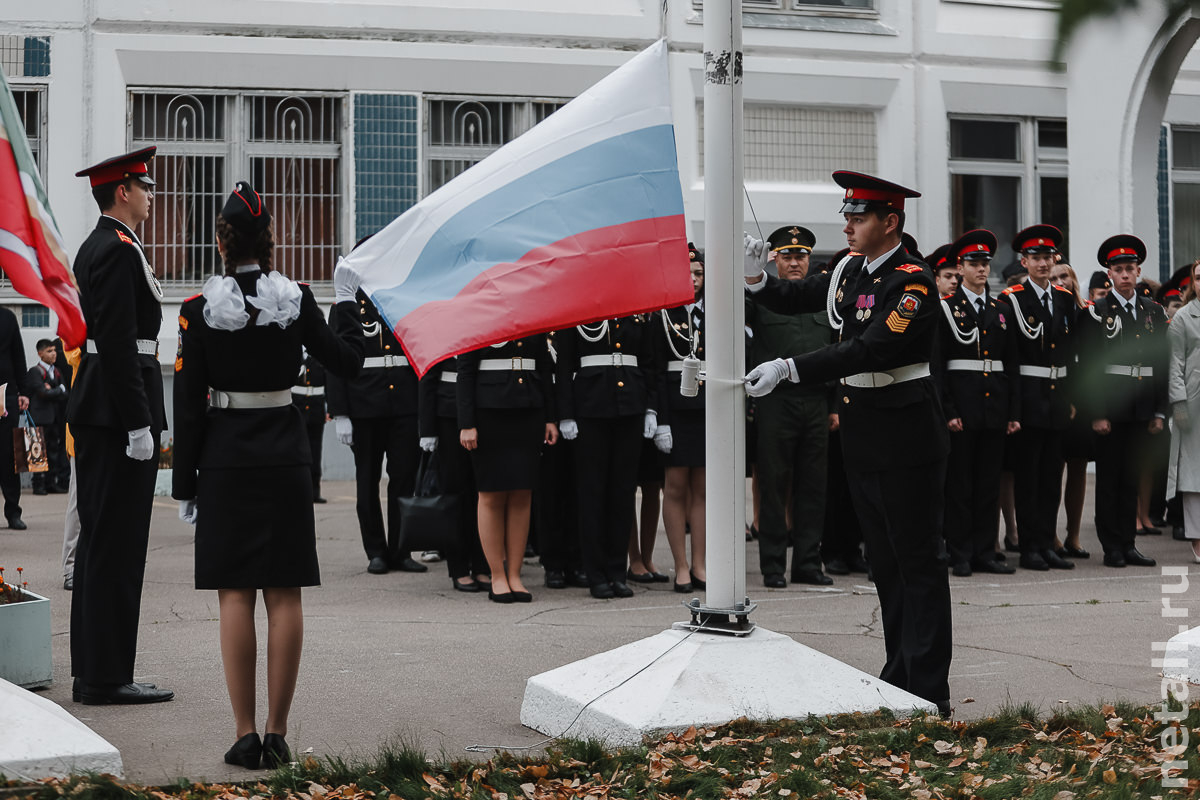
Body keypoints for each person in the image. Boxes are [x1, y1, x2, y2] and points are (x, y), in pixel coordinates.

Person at [743, 170, 952, 714]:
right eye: (848, 216)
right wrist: (758, 281)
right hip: (864, 425)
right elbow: (800, 296)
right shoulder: (847, 269)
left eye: (859, 218)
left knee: (917, 560)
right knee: (884, 560)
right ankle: (898, 672)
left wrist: (791, 367)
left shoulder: (913, 280)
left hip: (905, 428)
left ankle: (928, 686)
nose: (848, 225)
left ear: (891, 222)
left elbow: (868, 349)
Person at [173, 182, 364, 768]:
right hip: (284, 453)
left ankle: (244, 732)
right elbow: (346, 361)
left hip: (227, 456)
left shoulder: (196, 309)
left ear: (220, 241)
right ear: (270, 239)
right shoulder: (296, 298)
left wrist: (185, 483)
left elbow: (186, 399)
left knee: (236, 591)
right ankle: (278, 735)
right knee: (284, 591)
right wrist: (350, 303)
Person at [67, 147, 172, 705]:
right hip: (115, 412)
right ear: (123, 192)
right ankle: (105, 678)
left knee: (105, 542)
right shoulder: (112, 249)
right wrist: (138, 423)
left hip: (111, 408)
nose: (152, 195)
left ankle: (98, 672)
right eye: (145, 186)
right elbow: (115, 342)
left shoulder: (116, 245)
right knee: (115, 545)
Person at [326, 259, 427, 576]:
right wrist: (341, 412)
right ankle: (376, 551)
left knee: (403, 481)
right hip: (364, 409)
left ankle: (401, 550)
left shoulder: (401, 301)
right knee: (367, 483)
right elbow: (334, 363)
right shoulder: (346, 306)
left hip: (403, 407)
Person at [746, 225, 834, 588]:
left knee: (813, 485)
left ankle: (809, 563)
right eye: (787, 256)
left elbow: (837, 349)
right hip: (775, 402)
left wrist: (834, 406)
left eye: (801, 256)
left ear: (810, 260)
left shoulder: (823, 296)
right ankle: (771, 565)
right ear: (774, 259)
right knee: (773, 483)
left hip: (815, 401)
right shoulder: (761, 297)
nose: (795, 262)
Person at [932, 229, 1019, 577]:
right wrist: (948, 411)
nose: (982, 269)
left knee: (988, 485)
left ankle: (986, 550)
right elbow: (939, 366)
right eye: (974, 263)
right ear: (960, 267)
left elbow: (1009, 365)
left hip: (994, 409)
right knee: (960, 486)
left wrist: (1013, 412)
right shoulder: (947, 309)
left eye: (985, 263)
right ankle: (961, 552)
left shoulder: (1000, 309)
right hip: (963, 410)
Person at [1080, 234, 1165, 568]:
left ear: (1139, 271)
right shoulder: (1098, 312)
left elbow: (1161, 363)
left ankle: (1128, 543)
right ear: (1109, 274)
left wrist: (1159, 410)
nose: (1125, 274)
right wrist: (1097, 412)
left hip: (1142, 405)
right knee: (1110, 478)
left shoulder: (1152, 310)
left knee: (1131, 477)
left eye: (1130, 268)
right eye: (1119, 269)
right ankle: (1111, 545)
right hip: (1111, 408)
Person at [999, 224, 1079, 572]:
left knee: (1051, 477)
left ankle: (1047, 543)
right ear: (1024, 261)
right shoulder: (1013, 300)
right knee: (1028, 477)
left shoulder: (1063, 298)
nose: (1043, 263)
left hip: (1057, 398)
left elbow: (1071, 352)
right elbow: (1011, 359)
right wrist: (1013, 407)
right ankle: (1029, 545)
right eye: (1036, 258)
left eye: (1048, 257)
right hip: (1030, 399)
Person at [457, 337, 558, 603]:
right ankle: (497, 575)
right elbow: (466, 370)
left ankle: (515, 575)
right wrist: (466, 422)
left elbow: (544, 367)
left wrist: (550, 417)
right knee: (491, 494)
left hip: (528, 409)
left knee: (522, 494)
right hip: (488, 412)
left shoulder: (531, 311)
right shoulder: (478, 311)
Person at [654, 242, 708, 592]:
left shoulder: (714, 312)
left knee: (703, 488)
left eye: (699, 273)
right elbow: (656, 368)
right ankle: (681, 566)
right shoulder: (665, 313)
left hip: (706, 406)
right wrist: (659, 419)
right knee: (674, 487)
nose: (694, 278)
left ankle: (701, 564)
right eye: (687, 272)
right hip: (675, 406)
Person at [418, 355, 491, 592]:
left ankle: (483, 564)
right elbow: (428, 373)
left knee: (484, 493)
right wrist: (427, 428)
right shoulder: (444, 319)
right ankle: (458, 567)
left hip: (485, 405)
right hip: (448, 412)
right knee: (456, 494)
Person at [1048, 262, 1093, 560]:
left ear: (1075, 278)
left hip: (1084, 397)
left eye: (1065, 275)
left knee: (1078, 468)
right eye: (1054, 278)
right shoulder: (1049, 310)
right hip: (1057, 396)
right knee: (1053, 470)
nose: (1061, 280)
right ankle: (1050, 535)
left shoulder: (1089, 313)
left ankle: (1073, 535)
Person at [1168, 259, 1200, 562]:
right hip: (1193, 403)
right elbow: (1174, 365)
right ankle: (1198, 537)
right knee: (1193, 474)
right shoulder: (1183, 319)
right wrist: (1178, 404)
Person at [24, 338, 70, 495]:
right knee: (37, 452)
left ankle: (51, 483)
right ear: (40, 353)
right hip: (38, 418)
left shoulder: (56, 372)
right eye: (49, 351)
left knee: (53, 451)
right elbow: (43, 393)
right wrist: (58, 390)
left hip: (54, 418)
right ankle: (38, 485)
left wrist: (54, 390)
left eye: (55, 351)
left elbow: (65, 394)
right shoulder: (35, 372)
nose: (54, 354)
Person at [0, 307, 29, 530]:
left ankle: (13, 512)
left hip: (6, 394)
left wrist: (24, 391)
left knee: (9, 454)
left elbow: (18, 355)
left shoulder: (8, 317)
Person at [292, 351, 329, 503]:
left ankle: (314, 491)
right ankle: (297, 490)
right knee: (296, 451)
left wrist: (331, 409)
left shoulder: (319, 356)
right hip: (297, 409)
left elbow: (329, 383)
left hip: (316, 409)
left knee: (315, 452)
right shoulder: (294, 355)